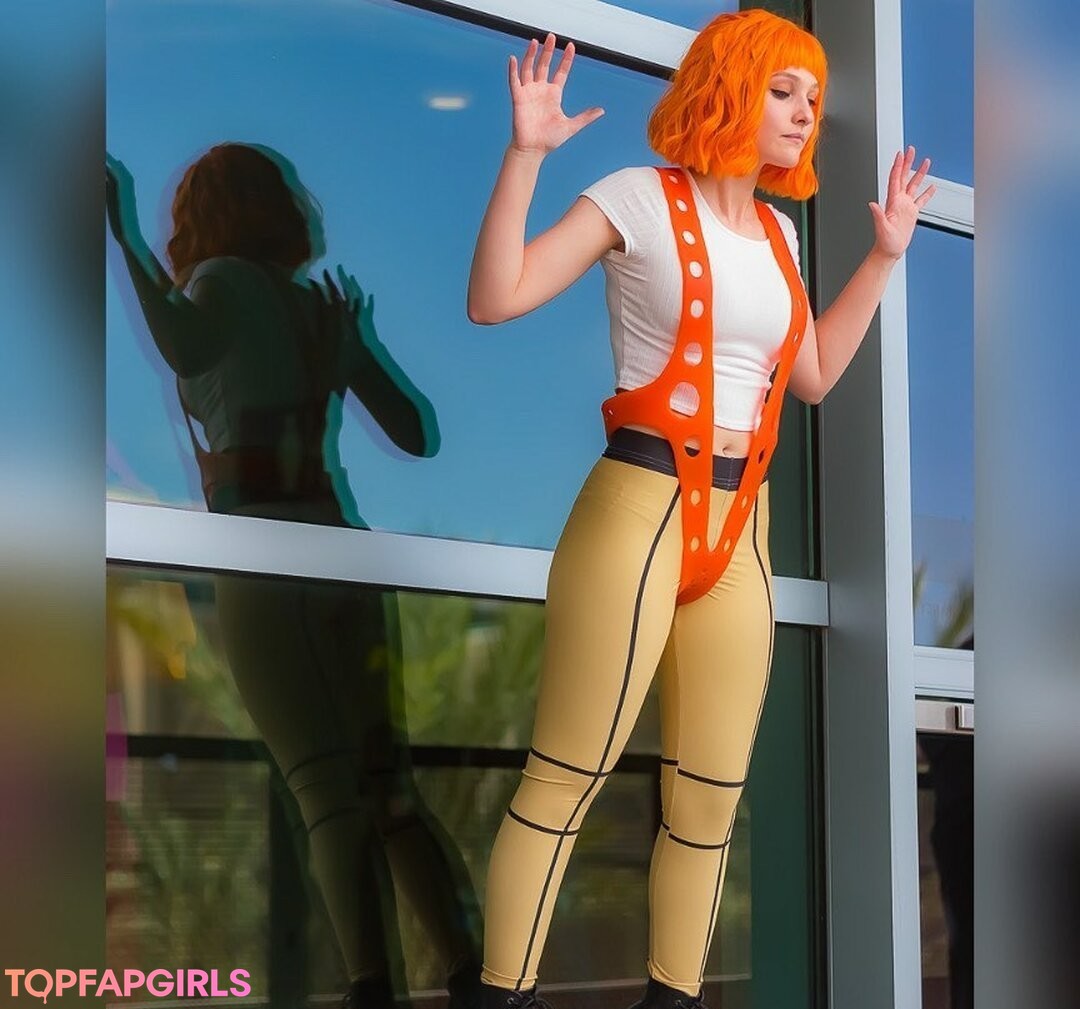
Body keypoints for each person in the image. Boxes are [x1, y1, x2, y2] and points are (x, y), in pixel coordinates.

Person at [466, 10, 935, 1009]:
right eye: (784, 91)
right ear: (728, 90)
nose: (805, 113)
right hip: (637, 505)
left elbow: (813, 375)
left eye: (814, 99)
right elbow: (496, 297)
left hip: (741, 527)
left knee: (711, 799)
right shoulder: (634, 197)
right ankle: (504, 993)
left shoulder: (781, 234)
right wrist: (525, 154)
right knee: (567, 776)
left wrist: (885, 255)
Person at [107, 143, 481, 1009]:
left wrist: (122, 234)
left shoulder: (220, 282)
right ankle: (473, 976)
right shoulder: (314, 306)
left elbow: (182, 347)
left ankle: (370, 987)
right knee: (389, 789)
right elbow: (416, 431)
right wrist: (355, 347)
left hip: (264, 549)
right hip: (338, 544)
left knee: (322, 785)